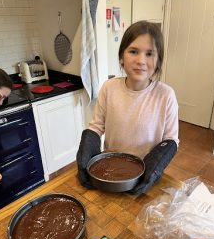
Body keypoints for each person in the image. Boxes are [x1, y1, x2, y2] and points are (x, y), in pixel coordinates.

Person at [76, 20, 179, 195]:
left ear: (159, 60)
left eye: (149, 54)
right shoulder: (109, 88)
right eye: (133, 51)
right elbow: (96, 126)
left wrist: (154, 169)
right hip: (108, 173)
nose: (141, 60)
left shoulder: (166, 95)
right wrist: (88, 145)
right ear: (121, 57)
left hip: (145, 175)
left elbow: (171, 140)